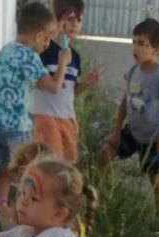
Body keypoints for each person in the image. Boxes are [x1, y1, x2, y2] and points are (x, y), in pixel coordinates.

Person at [0, 3, 71, 206]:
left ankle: (0, 211)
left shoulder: (4, 52)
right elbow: (54, 87)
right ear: (39, 36)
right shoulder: (29, 56)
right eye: (48, 38)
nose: (48, 44)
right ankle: (23, 217)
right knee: (28, 176)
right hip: (18, 129)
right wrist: (63, 62)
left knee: (4, 173)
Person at [98, 19, 159, 223]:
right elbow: (125, 102)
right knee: (105, 155)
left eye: (142, 44)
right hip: (131, 132)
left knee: (154, 177)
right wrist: (117, 130)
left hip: (152, 138)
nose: (136, 48)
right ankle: (99, 200)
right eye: (134, 42)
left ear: (156, 49)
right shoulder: (134, 71)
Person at [31, 0, 100, 163]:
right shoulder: (44, 50)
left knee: (68, 167)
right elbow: (40, 83)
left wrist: (87, 83)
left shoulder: (74, 56)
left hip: (67, 117)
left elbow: (71, 91)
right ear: (57, 19)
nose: (75, 24)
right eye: (70, 18)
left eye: (79, 20)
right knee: (52, 164)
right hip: (46, 116)